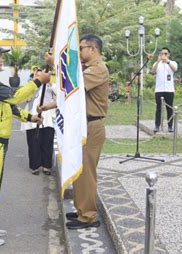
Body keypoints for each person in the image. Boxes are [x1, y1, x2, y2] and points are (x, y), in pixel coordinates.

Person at [0, 41, 50, 247]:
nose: (2, 59)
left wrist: (30, 117)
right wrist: (38, 82)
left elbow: (7, 106)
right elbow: (14, 97)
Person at [44, 34, 109, 230]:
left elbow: (73, 86)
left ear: (93, 49)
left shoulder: (98, 69)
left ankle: (89, 216)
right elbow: (69, 94)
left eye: (81, 48)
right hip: (83, 125)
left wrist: (55, 63)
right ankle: (82, 210)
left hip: (92, 125)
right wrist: (49, 106)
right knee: (80, 171)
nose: (78, 51)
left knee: (87, 172)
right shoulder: (87, 69)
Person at [21, 68, 56, 175]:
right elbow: (24, 97)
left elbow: (58, 95)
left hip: (48, 118)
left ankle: (46, 166)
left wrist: (49, 83)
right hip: (32, 118)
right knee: (33, 143)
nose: (41, 78)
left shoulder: (50, 86)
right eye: (38, 76)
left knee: (47, 142)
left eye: (43, 76)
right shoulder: (30, 86)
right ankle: (35, 166)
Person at [151, 47, 178, 133]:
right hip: (159, 89)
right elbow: (153, 71)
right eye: (162, 53)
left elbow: (175, 69)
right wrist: (158, 61)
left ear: (168, 55)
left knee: (169, 108)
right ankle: (157, 126)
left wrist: (167, 61)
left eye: (166, 53)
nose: (164, 55)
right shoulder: (157, 63)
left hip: (169, 90)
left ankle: (170, 126)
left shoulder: (172, 63)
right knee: (158, 108)